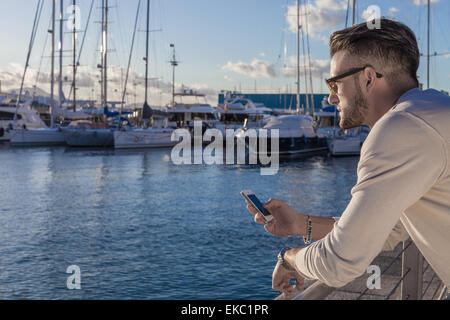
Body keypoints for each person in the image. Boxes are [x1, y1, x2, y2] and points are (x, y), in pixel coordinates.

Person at [246, 18, 450, 298]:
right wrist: (299, 223)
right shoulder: (429, 112)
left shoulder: (402, 127)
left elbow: (339, 261)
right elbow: (389, 228)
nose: (331, 98)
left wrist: (289, 257)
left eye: (334, 83)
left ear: (367, 78)